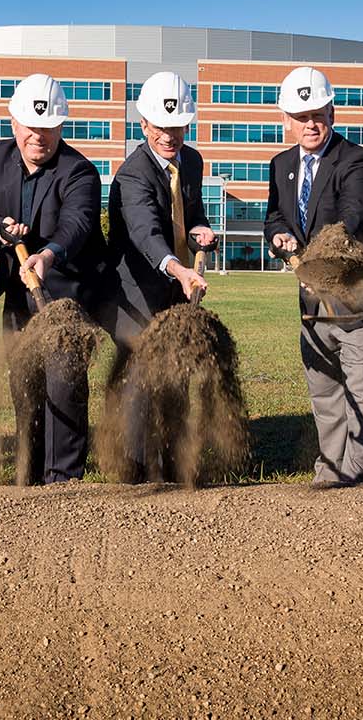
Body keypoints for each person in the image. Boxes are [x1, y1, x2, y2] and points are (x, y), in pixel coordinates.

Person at [265, 66, 363, 488]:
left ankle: (362, 484)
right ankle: (330, 474)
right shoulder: (281, 164)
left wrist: (318, 254)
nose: (312, 124)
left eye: (319, 114)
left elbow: (354, 214)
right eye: (302, 116)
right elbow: (274, 215)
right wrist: (279, 237)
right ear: (285, 119)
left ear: (333, 113)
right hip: (314, 305)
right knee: (325, 394)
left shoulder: (359, 161)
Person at [0, 73, 106, 484]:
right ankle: (28, 476)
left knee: (63, 383)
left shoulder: (79, 170)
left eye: (49, 129)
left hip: (67, 295)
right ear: (14, 124)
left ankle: (63, 478)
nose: (39, 137)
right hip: (18, 293)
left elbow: (78, 223)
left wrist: (48, 254)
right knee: (25, 384)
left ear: (61, 127)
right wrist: (0, 228)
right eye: (31, 128)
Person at [101, 70, 215, 481]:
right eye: (160, 128)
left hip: (178, 289)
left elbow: (191, 209)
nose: (169, 136)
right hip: (136, 294)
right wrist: (178, 268)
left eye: (177, 127)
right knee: (140, 382)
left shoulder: (193, 160)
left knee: (175, 374)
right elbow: (146, 234)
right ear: (143, 123)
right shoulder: (133, 175)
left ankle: (171, 462)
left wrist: (201, 228)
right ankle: (132, 468)